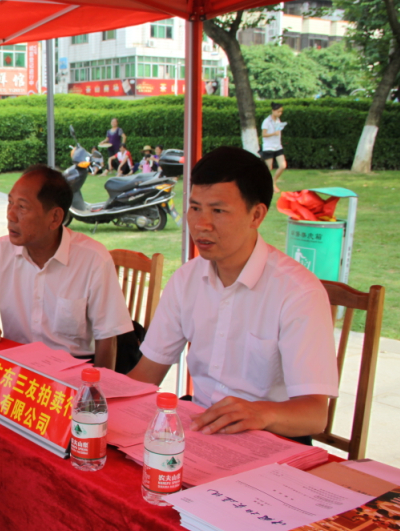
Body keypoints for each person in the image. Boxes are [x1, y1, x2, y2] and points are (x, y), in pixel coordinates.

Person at [128, 147, 338, 441]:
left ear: (256, 215)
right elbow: (147, 374)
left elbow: (314, 415)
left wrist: (261, 414)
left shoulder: (298, 293)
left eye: (218, 211)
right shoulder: (186, 280)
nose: (201, 224)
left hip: (272, 438)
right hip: (201, 425)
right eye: (195, 208)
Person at [0, 165, 133, 368]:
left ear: (54, 218)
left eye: (22, 207)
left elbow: (107, 338)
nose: (10, 215)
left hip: (73, 370)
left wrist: (96, 385)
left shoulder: (93, 259)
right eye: (10, 203)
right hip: (17, 367)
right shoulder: (0, 251)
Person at [261, 102, 287, 193]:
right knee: (269, 168)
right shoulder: (266, 121)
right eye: (278, 111)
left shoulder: (278, 120)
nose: (280, 113)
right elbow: (263, 134)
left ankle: (273, 181)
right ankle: (266, 185)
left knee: (283, 166)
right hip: (269, 147)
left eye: (281, 112)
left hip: (278, 146)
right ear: (273, 111)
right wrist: (273, 133)